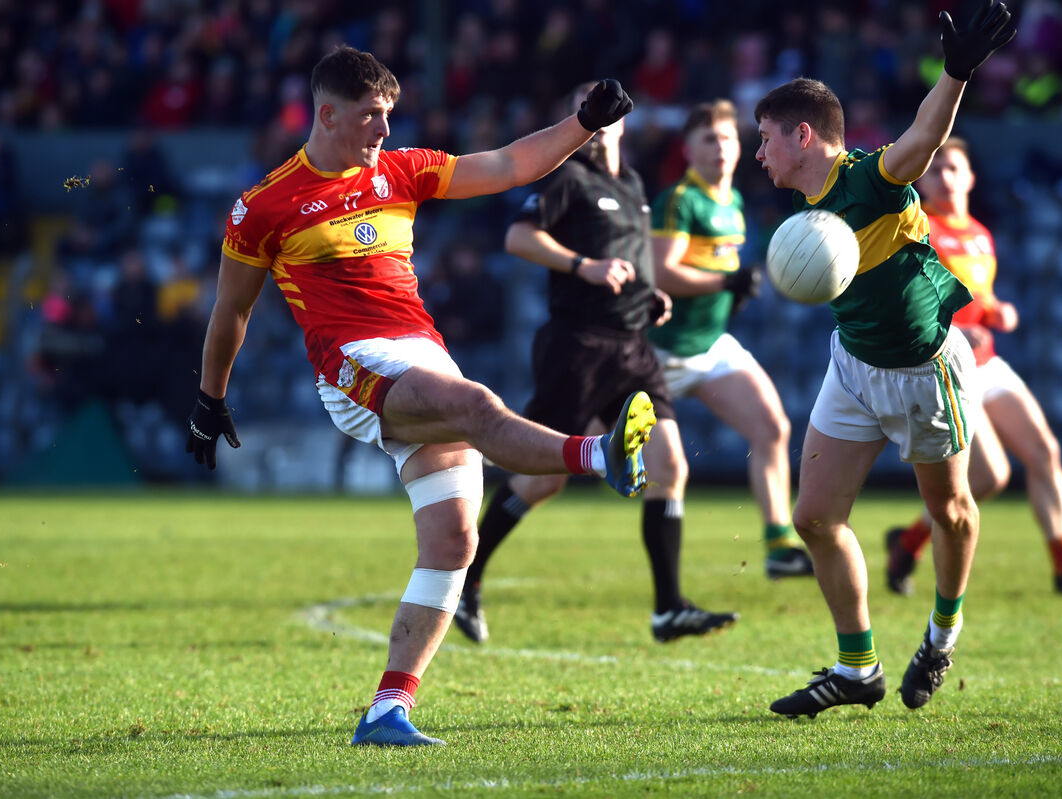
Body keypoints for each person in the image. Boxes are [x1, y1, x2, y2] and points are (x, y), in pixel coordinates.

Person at [185, 48, 656, 748]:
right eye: (372, 116)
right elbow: (231, 313)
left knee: (454, 539)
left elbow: (507, 165)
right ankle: (598, 454)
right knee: (476, 404)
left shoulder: (399, 169)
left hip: (420, 350)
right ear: (327, 114)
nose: (382, 129)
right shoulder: (264, 206)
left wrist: (582, 123)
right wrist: (209, 397)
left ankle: (387, 709)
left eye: (389, 115)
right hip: (354, 368)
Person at [755, 2, 1016, 719]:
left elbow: (925, 138)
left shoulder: (872, 177)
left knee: (952, 512)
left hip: (923, 369)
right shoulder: (805, 211)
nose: (760, 154)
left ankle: (941, 634)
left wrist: (956, 71)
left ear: (803, 134)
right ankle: (856, 667)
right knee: (813, 518)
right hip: (852, 365)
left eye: (766, 139)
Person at [451, 82, 739, 648]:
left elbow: (633, 259)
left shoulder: (631, 184)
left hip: (632, 348)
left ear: (626, 121)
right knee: (544, 478)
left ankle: (667, 608)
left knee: (671, 465)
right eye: (589, 109)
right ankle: (465, 581)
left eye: (612, 112)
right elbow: (517, 236)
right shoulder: (567, 176)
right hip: (577, 347)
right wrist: (582, 265)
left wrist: (651, 296)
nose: (603, 120)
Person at [884, 138, 1062, 596]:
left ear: (971, 177)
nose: (945, 177)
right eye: (935, 170)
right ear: (922, 180)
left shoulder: (979, 233)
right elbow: (908, 305)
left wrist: (996, 311)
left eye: (954, 168)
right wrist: (956, 327)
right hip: (947, 364)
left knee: (1044, 451)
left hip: (986, 361)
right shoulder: (919, 229)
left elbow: (978, 296)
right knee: (990, 476)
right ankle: (909, 542)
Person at [649, 99, 813, 580]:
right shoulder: (682, 200)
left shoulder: (734, 202)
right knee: (574, 458)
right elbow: (662, 271)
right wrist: (727, 283)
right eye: (708, 139)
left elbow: (717, 273)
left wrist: (734, 292)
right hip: (657, 352)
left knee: (772, 427)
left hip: (710, 344)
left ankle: (779, 545)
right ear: (688, 149)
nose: (720, 148)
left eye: (726, 138)